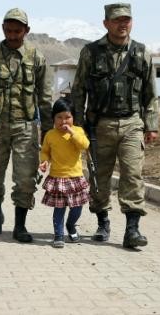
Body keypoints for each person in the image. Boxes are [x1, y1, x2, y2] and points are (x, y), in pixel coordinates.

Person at [70, 2, 159, 249]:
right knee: (99, 178)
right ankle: (103, 221)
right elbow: (78, 90)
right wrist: (77, 125)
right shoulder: (91, 52)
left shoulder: (142, 53)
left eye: (127, 20)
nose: (123, 24)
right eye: (117, 20)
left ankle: (132, 230)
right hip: (99, 125)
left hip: (132, 122)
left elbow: (151, 94)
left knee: (133, 174)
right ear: (106, 23)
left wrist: (151, 125)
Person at [0, 7, 53, 242]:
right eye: (8, 30)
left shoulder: (36, 57)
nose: (13, 35)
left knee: (25, 178)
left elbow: (45, 97)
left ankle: (20, 226)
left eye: (18, 31)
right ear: (3, 29)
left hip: (25, 126)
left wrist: (48, 132)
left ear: (27, 31)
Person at [39, 97, 90, 248]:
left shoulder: (78, 131)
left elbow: (84, 145)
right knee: (59, 208)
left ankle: (71, 225)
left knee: (77, 207)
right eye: (59, 118)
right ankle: (59, 235)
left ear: (73, 118)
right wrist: (44, 161)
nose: (63, 121)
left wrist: (72, 133)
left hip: (75, 178)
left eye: (67, 117)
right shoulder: (50, 135)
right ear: (53, 119)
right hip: (58, 178)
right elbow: (45, 152)